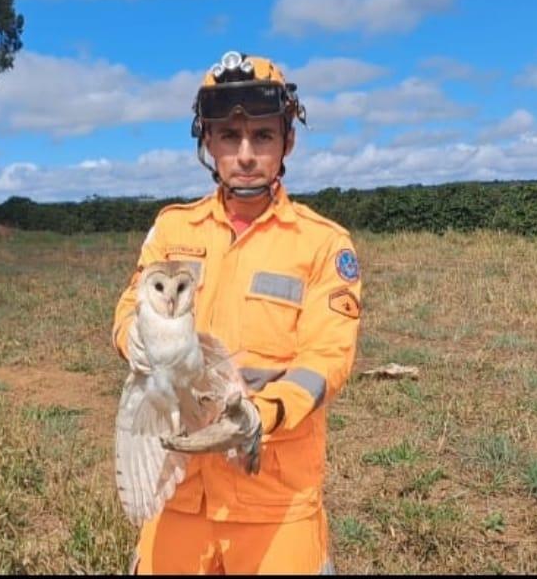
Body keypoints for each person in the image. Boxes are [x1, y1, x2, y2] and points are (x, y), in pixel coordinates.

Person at [111, 50, 362, 575]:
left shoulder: (323, 245)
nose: (246, 154)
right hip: (177, 486)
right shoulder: (174, 229)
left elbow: (327, 359)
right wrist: (129, 336)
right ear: (208, 142)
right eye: (229, 137)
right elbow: (132, 303)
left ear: (287, 141)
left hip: (273, 499)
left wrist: (258, 416)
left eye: (263, 137)